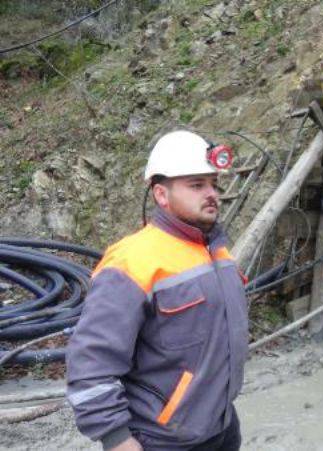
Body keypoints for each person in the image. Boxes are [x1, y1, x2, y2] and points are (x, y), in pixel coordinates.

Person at [66, 130, 248, 451]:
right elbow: (90, 364)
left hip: (221, 428)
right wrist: (118, 440)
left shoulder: (218, 252)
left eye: (212, 183)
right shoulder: (131, 262)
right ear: (161, 195)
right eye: (196, 185)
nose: (211, 194)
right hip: (162, 440)